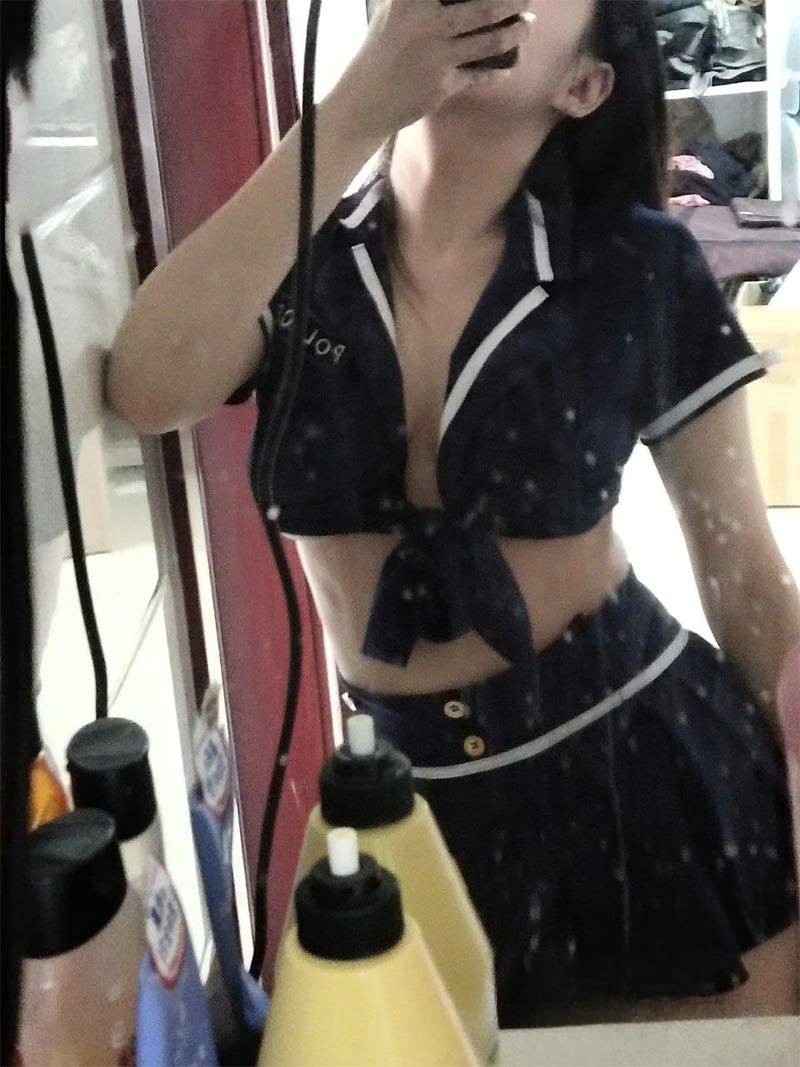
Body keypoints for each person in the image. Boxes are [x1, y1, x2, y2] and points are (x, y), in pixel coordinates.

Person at [108, 0, 799, 1025]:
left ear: (581, 85)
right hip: (400, 804)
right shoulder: (296, 257)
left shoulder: (635, 265)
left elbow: (744, 578)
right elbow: (147, 386)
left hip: (643, 778)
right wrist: (351, 111)